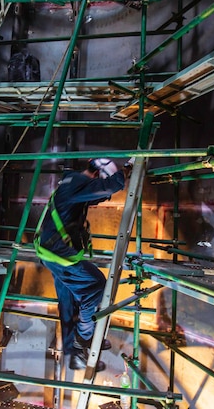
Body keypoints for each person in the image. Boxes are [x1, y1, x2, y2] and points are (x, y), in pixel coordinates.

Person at [34, 158, 131, 371]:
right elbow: (110, 186)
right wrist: (126, 171)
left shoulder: (71, 182)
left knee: (69, 301)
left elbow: (98, 194)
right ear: (96, 175)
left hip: (53, 251)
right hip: (59, 254)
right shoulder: (77, 184)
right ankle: (82, 340)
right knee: (95, 287)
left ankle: (76, 352)